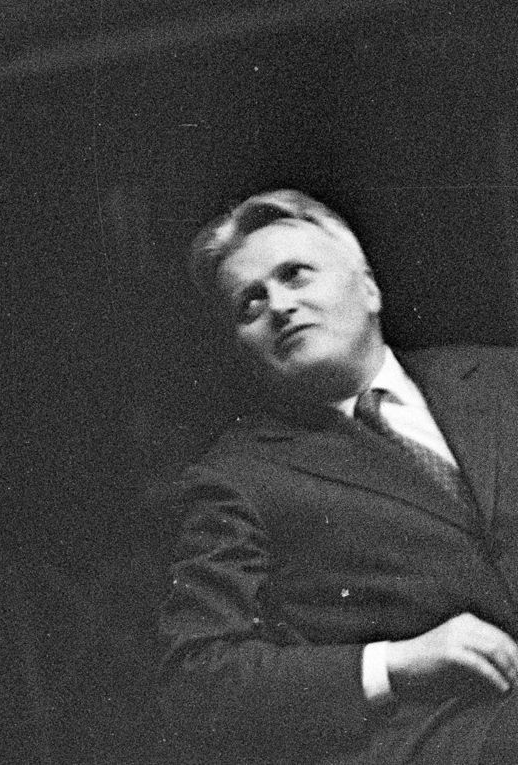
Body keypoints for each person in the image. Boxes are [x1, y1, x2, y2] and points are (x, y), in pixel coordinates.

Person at [161, 187, 518, 765]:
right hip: (448, 739)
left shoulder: (503, 379)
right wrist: (394, 663)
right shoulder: (236, 478)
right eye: (250, 303)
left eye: (295, 275)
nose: (278, 305)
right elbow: (202, 679)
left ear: (369, 288)